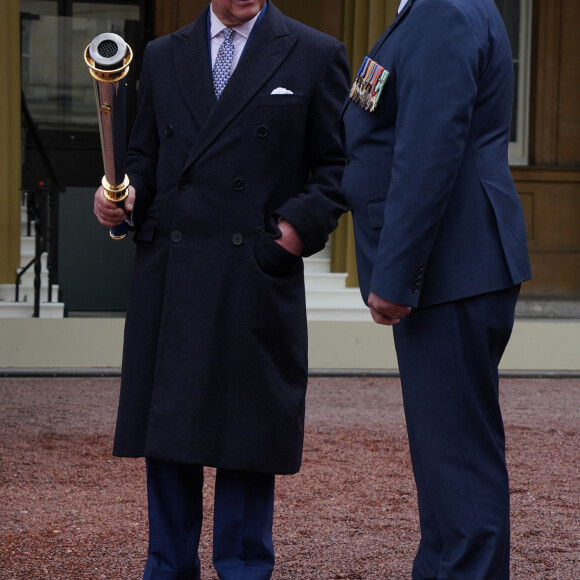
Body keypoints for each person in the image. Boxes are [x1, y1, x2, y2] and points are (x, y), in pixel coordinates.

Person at [93, 1, 350, 578]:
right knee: (171, 441)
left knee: (246, 440)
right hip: (175, 272)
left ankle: (242, 571)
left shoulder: (314, 54)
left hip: (251, 275)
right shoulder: (161, 57)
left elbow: (335, 169)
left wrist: (287, 233)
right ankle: (167, 568)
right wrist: (122, 199)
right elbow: (142, 158)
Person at [341, 0, 531, 578]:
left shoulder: (444, 9)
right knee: (446, 452)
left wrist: (397, 276)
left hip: (450, 264)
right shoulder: (432, 8)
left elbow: (429, 150)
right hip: (456, 263)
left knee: (456, 458)